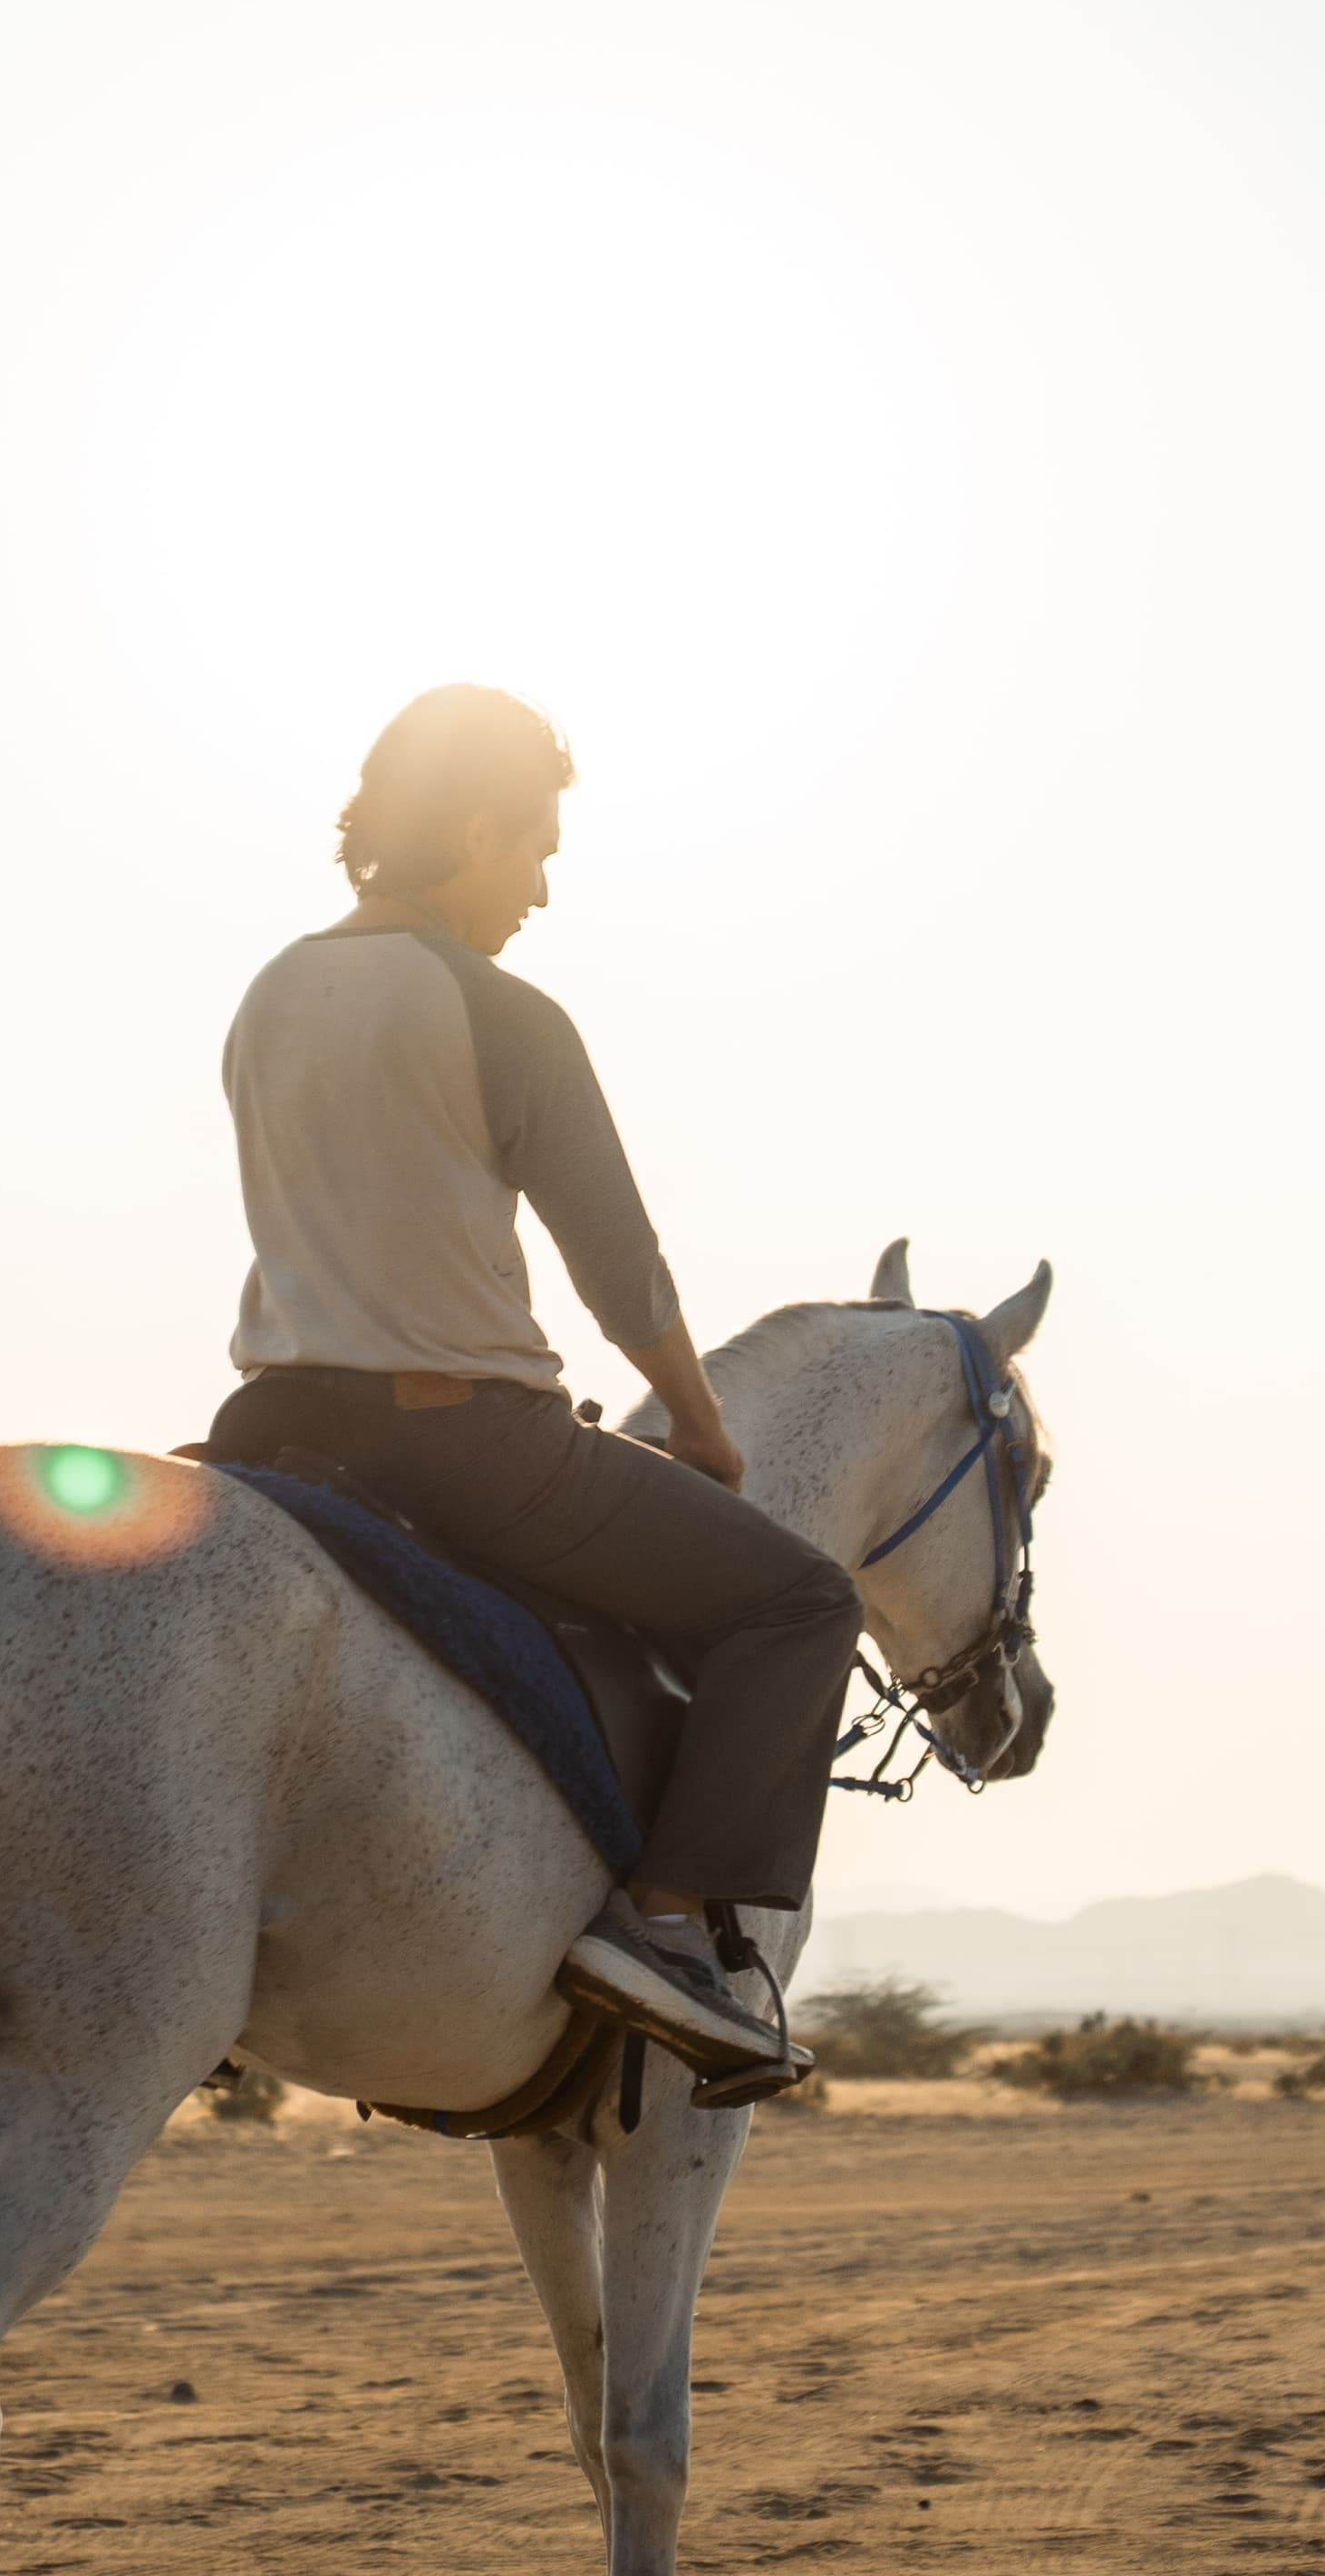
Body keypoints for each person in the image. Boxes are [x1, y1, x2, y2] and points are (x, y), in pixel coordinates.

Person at [207, 684, 856, 2101]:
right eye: (537, 847)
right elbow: (620, 1266)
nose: (545, 888)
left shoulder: (269, 993)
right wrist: (697, 1420)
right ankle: (668, 1932)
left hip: (268, 1431)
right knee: (803, 1604)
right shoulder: (498, 1010)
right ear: (474, 831)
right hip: (460, 1439)